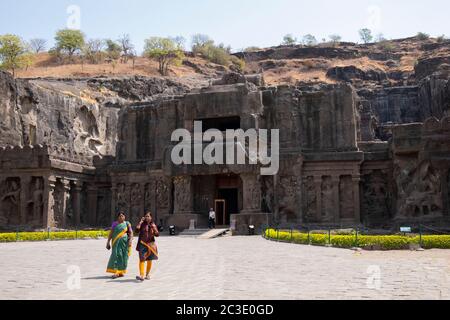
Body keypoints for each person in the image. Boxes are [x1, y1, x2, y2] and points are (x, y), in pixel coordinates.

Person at [106, 212, 133, 279]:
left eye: (123, 216)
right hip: (116, 243)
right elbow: (111, 233)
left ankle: (121, 271)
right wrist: (108, 242)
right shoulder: (115, 224)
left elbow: (131, 232)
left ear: (125, 217)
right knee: (117, 255)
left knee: (124, 256)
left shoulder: (127, 223)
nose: (121, 217)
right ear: (118, 217)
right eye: (120, 216)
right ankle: (116, 272)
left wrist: (130, 240)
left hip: (124, 243)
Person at [135, 212, 159, 281]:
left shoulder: (153, 224)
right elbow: (136, 231)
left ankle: (147, 274)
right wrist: (140, 222)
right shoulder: (142, 224)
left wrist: (154, 230)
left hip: (150, 244)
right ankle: (142, 275)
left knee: (149, 259)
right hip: (142, 243)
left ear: (151, 217)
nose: (147, 217)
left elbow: (157, 234)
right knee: (142, 259)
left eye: (148, 216)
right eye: (146, 216)